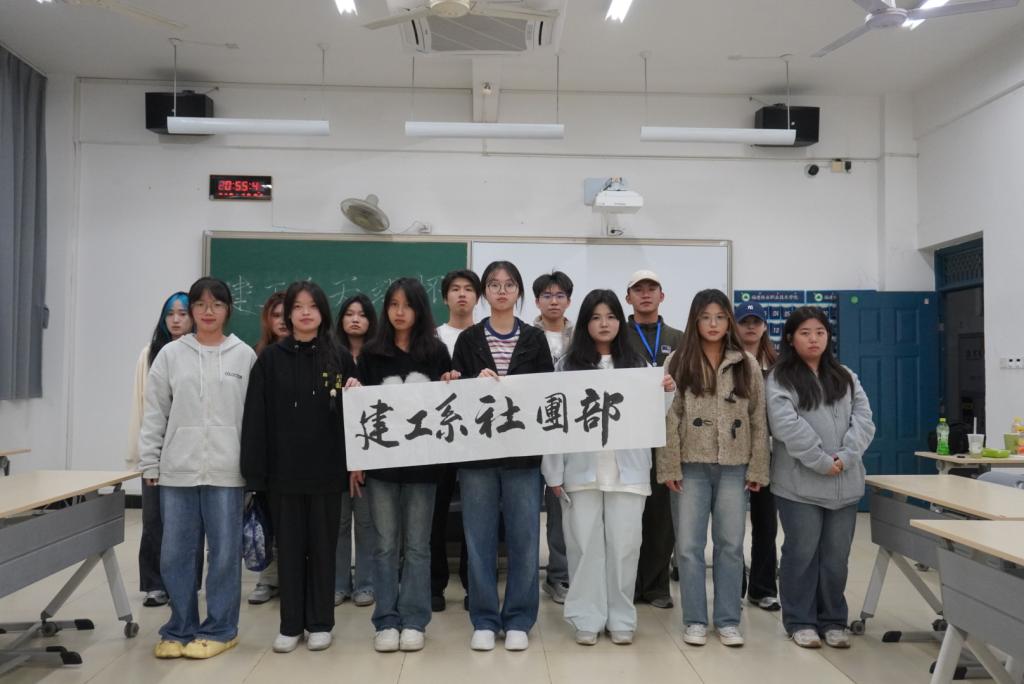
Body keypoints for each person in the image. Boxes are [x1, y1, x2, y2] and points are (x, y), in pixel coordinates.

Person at [542, 289, 675, 646]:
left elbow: (652, 418)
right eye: (596, 317)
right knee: (583, 547)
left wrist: (666, 392)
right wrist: (553, 472)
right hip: (580, 471)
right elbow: (554, 422)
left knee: (624, 547)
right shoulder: (567, 366)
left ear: (620, 322)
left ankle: (621, 617)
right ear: (585, 323)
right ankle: (586, 616)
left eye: (612, 316)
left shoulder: (639, 365)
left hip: (628, 473)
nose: (604, 324)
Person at [138, 277, 257, 660]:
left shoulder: (243, 356)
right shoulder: (171, 355)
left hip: (227, 470)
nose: (208, 311)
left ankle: (221, 629)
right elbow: (155, 411)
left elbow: (254, 419)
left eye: (216, 304)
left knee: (224, 554)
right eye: (201, 304)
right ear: (191, 311)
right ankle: (179, 627)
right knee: (175, 553)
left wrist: (254, 469)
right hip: (178, 469)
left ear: (228, 310)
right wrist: (150, 460)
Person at [241, 281, 358, 654]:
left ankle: (321, 623)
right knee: (289, 550)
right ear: (288, 314)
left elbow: (356, 418)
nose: (305, 313)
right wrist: (255, 475)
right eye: (298, 307)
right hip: (283, 474)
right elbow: (256, 419)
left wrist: (355, 463)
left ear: (323, 313)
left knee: (323, 549)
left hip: (328, 472)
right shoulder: (270, 360)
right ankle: (290, 624)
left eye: (313, 306)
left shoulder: (340, 357)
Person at [451, 260, 554, 652]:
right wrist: (468, 382)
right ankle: (483, 618)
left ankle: (518, 619)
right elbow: (453, 395)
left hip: (523, 457)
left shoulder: (534, 338)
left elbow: (547, 394)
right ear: (485, 293)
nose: (501, 291)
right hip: (477, 457)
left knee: (524, 539)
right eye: (493, 284)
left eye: (509, 284)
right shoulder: (468, 340)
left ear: (518, 292)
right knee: (478, 540)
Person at [658, 288, 769, 648]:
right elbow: (669, 417)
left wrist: (758, 468)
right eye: (705, 317)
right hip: (690, 467)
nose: (713, 324)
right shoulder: (678, 361)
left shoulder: (746, 363)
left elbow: (758, 418)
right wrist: (669, 465)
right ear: (694, 320)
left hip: (735, 467)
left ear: (729, 321)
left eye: (720, 317)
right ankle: (694, 620)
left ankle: (727, 620)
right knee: (689, 547)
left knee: (730, 545)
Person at [350, 278, 452, 653]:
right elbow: (359, 412)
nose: (399, 312)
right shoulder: (372, 354)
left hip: (424, 466)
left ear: (419, 310)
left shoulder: (436, 352)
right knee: (385, 545)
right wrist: (357, 461)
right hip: (382, 467)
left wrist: (451, 382)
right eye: (393, 304)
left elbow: (449, 403)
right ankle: (386, 620)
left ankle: (414, 619)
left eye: (407, 305)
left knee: (419, 546)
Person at [766, 306, 874, 650]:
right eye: (805, 333)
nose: (813, 339)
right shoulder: (780, 378)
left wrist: (845, 457)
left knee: (836, 558)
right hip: (800, 485)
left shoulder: (845, 376)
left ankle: (833, 620)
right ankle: (800, 620)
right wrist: (822, 460)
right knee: (801, 554)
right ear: (790, 338)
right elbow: (786, 426)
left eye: (820, 332)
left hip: (845, 483)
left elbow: (864, 421)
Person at [127, 291, 192, 609]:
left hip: (188, 451)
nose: (176, 320)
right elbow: (142, 406)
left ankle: (185, 584)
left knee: (188, 523)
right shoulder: (149, 354)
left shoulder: (199, 352)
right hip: (157, 449)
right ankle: (154, 584)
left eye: (182, 313)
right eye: (170, 313)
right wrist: (143, 453)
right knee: (154, 520)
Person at [624, 270, 683, 609]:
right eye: (638, 289)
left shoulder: (679, 338)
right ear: (628, 297)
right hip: (628, 436)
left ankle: (657, 586)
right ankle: (629, 584)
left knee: (662, 516)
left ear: (662, 295)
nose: (645, 294)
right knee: (629, 514)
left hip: (667, 437)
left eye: (651, 289)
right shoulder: (618, 335)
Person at [431, 269, 480, 612]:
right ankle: (434, 585)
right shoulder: (433, 337)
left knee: (477, 515)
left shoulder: (485, 336)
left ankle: (473, 583)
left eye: (468, 289)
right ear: (445, 297)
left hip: (478, 437)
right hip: (437, 438)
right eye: (455, 289)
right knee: (435, 513)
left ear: (477, 297)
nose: (462, 294)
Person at [734, 301, 781, 612]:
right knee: (731, 525)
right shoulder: (727, 361)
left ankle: (762, 588)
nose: (750, 326)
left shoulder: (779, 366)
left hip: (769, 453)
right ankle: (732, 588)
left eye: (756, 321)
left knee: (766, 524)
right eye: (744, 321)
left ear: (765, 326)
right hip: (733, 451)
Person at [531, 271, 574, 605]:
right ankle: (526, 576)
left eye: (560, 295)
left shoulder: (581, 336)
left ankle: (559, 576)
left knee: (562, 509)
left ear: (569, 301)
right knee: (527, 507)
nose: (554, 301)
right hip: (531, 431)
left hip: (569, 432)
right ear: (537, 301)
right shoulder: (525, 335)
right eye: (547, 295)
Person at [333, 293, 378, 608]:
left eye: (361, 314)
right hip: (335, 453)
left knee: (365, 522)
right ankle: (338, 584)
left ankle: (366, 583)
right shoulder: (329, 355)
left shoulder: (378, 357)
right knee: (338, 523)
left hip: (372, 453)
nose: (355, 319)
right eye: (349, 314)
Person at [248, 291, 287, 607]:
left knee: (292, 524)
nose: (283, 320)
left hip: (298, 455)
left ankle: (291, 577)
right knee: (266, 520)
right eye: (276, 315)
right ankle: (267, 578)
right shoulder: (256, 356)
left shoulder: (318, 354)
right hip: (267, 454)